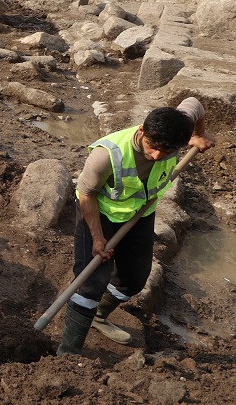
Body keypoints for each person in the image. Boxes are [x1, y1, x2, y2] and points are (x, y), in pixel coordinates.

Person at [58, 98, 215, 356]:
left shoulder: (177, 126)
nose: (157, 156)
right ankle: (68, 353)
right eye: (152, 147)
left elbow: (194, 104)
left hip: (140, 213)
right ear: (142, 131)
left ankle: (98, 316)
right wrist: (97, 238)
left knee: (133, 279)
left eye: (166, 152)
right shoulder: (106, 155)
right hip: (100, 214)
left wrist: (199, 134)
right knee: (89, 282)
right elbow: (86, 195)